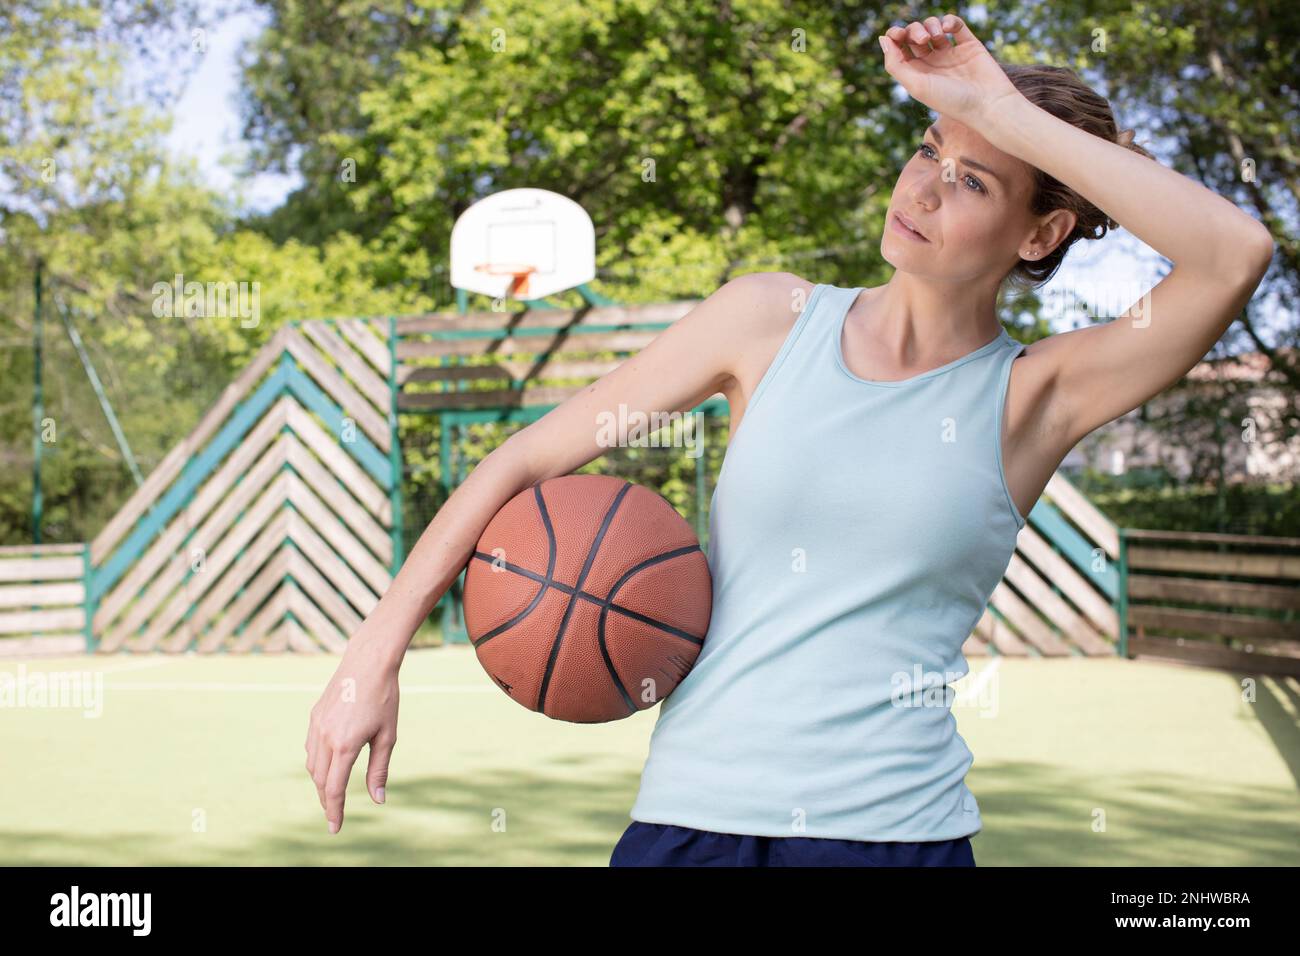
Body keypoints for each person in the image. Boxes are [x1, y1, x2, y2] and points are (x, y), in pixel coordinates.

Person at [303, 13, 1274, 865]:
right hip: (690, 818)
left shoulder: (1035, 396)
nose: (925, 189)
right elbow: (523, 459)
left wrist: (999, 106)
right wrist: (370, 656)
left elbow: (1234, 255)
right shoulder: (768, 319)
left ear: (1038, 233)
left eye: (973, 180)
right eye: (927, 147)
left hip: (896, 835)